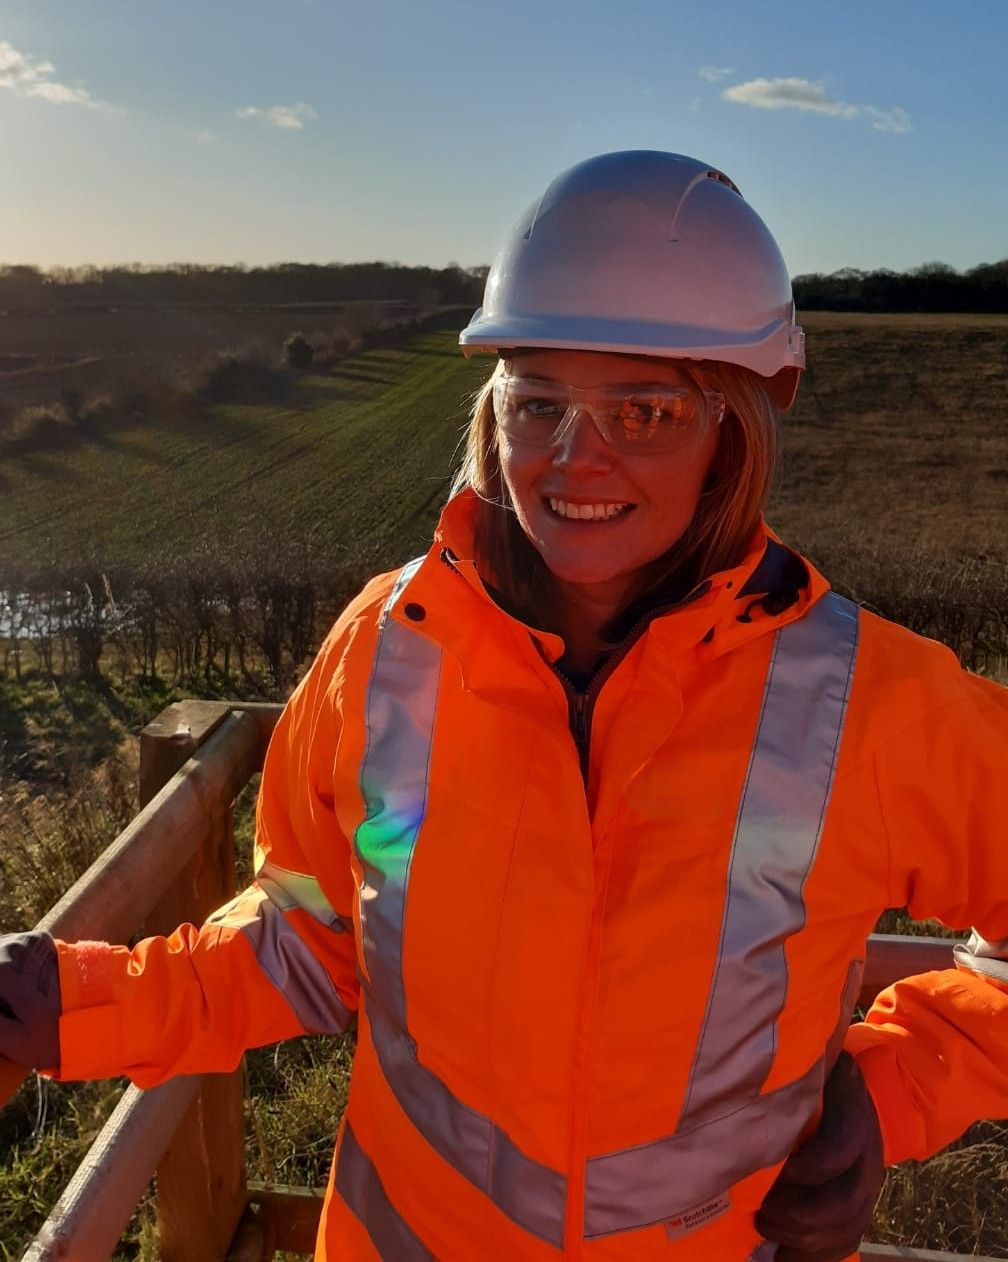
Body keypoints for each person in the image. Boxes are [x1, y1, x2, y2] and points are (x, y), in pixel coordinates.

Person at [3, 149, 1008, 1262]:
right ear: (494, 412)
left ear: (734, 431)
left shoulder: (872, 703)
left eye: (646, 409)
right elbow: (307, 932)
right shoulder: (386, 649)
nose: (576, 460)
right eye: (539, 403)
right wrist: (78, 1003)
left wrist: (899, 1083)